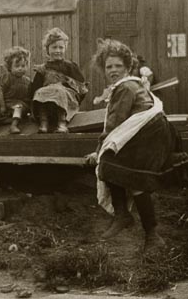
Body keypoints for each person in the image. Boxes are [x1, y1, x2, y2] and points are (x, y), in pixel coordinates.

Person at [85, 39, 188, 253]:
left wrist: (97, 152)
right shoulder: (128, 85)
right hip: (148, 136)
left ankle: (148, 232)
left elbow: (114, 124)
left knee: (114, 166)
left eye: (118, 66)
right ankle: (129, 219)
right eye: (109, 67)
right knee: (120, 168)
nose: (113, 70)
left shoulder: (126, 87)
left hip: (150, 136)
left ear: (128, 67)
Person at [30, 27, 88, 133]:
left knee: (59, 90)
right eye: (54, 47)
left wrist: (73, 95)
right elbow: (35, 89)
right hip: (47, 104)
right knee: (41, 92)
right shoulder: (42, 69)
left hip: (67, 100)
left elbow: (81, 87)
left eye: (61, 47)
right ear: (48, 49)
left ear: (65, 48)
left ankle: (62, 123)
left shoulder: (71, 66)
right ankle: (44, 123)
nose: (57, 51)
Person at [0, 46, 31, 134]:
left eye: (23, 66)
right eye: (17, 66)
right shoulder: (7, 77)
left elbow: (29, 96)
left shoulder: (28, 81)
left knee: (19, 107)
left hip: (17, 103)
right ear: (10, 67)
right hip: (4, 101)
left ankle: (14, 126)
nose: (20, 68)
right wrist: (2, 105)